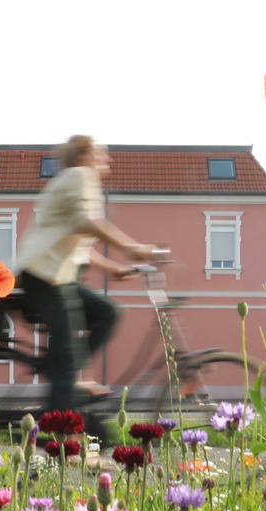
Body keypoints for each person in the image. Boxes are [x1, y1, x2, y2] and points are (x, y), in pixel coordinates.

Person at [12, 135, 158, 411]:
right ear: (83, 156)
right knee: (65, 364)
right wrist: (132, 247)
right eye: (100, 154)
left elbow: (79, 246)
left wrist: (114, 268)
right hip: (45, 279)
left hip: (55, 277)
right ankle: (57, 434)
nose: (107, 160)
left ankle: (68, 375)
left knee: (107, 312)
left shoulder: (73, 181)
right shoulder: (80, 176)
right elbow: (86, 222)